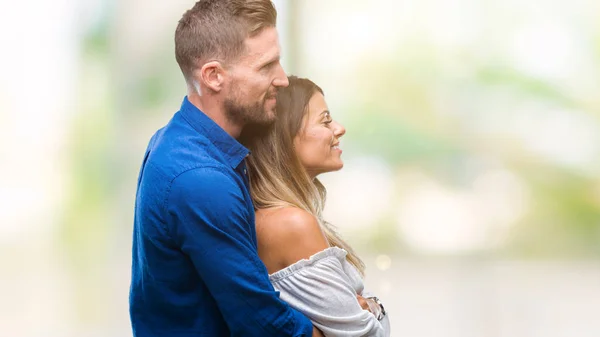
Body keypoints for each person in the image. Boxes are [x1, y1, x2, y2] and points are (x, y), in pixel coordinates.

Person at [129, 1, 324, 336]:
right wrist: (341, 327)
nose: (281, 79)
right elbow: (263, 325)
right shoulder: (200, 180)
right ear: (213, 76)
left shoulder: (174, 139)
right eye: (266, 66)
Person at [243, 76, 391, 336]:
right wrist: (372, 308)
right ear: (286, 138)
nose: (340, 128)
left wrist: (369, 306)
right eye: (325, 120)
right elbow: (368, 335)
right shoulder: (291, 223)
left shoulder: (281, 215)